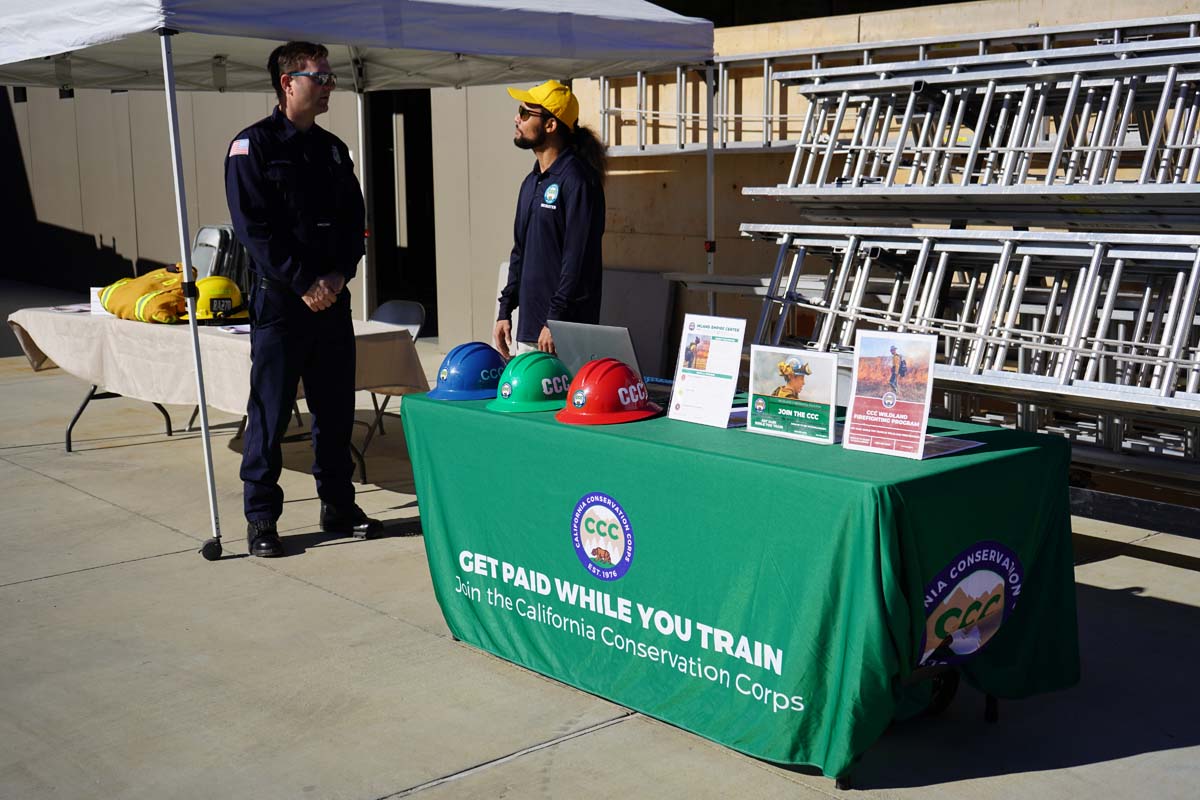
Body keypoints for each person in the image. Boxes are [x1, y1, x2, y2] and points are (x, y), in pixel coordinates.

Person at [225, 41, 381, 558]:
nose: (330, 84)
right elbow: (255, 231)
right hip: (282, 305)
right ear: (289, 83)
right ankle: (262, 519)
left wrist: (338, 276)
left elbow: (355, 224)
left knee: (334, 411)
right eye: (321, 76)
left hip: (331, 303)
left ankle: (338, 504)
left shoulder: (334, 151)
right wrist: (303, 282)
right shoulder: (253, 148)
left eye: (332, 75)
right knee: (269, 416)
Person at [494, 80, 607, 358]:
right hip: (531, 330)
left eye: (524, 113)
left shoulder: (578, 181)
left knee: (561, 403)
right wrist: (505, 310)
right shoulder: (531, 182)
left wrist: (555, 320)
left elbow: (576, 260)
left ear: (551, 125)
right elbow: (520, 252)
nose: (516, 119)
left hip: (563, 333)